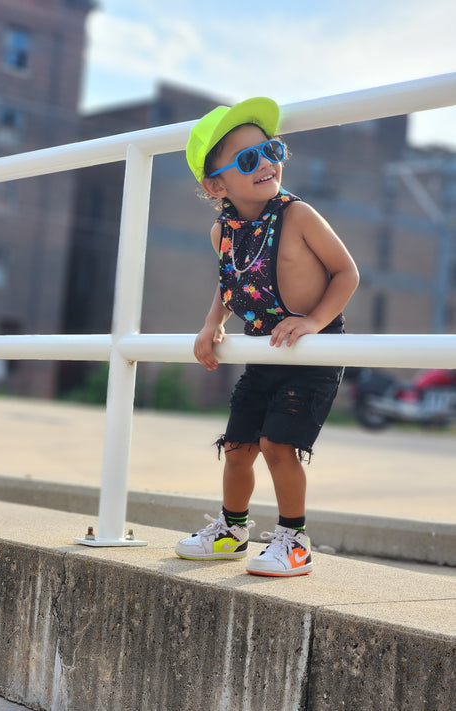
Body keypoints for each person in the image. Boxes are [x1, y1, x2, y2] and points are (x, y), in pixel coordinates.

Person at [175, 97, 359, 577]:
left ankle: (293, 541)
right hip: (264, 347)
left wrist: (314, 322)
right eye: (249, 159)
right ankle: (232, 530)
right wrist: (212, 321)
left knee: (279, 445)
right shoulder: (224, 231)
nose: (269, 164)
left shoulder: (297, 215)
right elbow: (232, 279)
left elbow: (346, 273)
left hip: (314, 348)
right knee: (238, 446)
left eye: (272, 150)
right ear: (216, 184)